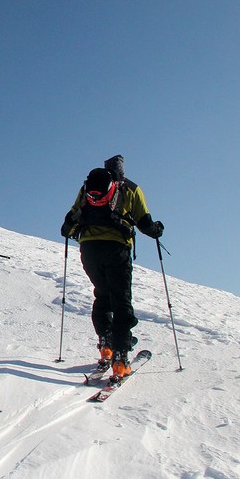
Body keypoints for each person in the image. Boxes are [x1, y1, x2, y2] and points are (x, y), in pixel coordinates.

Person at [60, 154, 164, 381]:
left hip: (89, 250)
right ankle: (120, 358)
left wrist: (69, 230)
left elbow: (72, 216)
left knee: (103, 295)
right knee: (121, 301)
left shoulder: (88, 187)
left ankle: (106, 346)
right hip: (116, 250)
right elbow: (145, 222)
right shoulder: (131, 189)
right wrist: (157, 230)